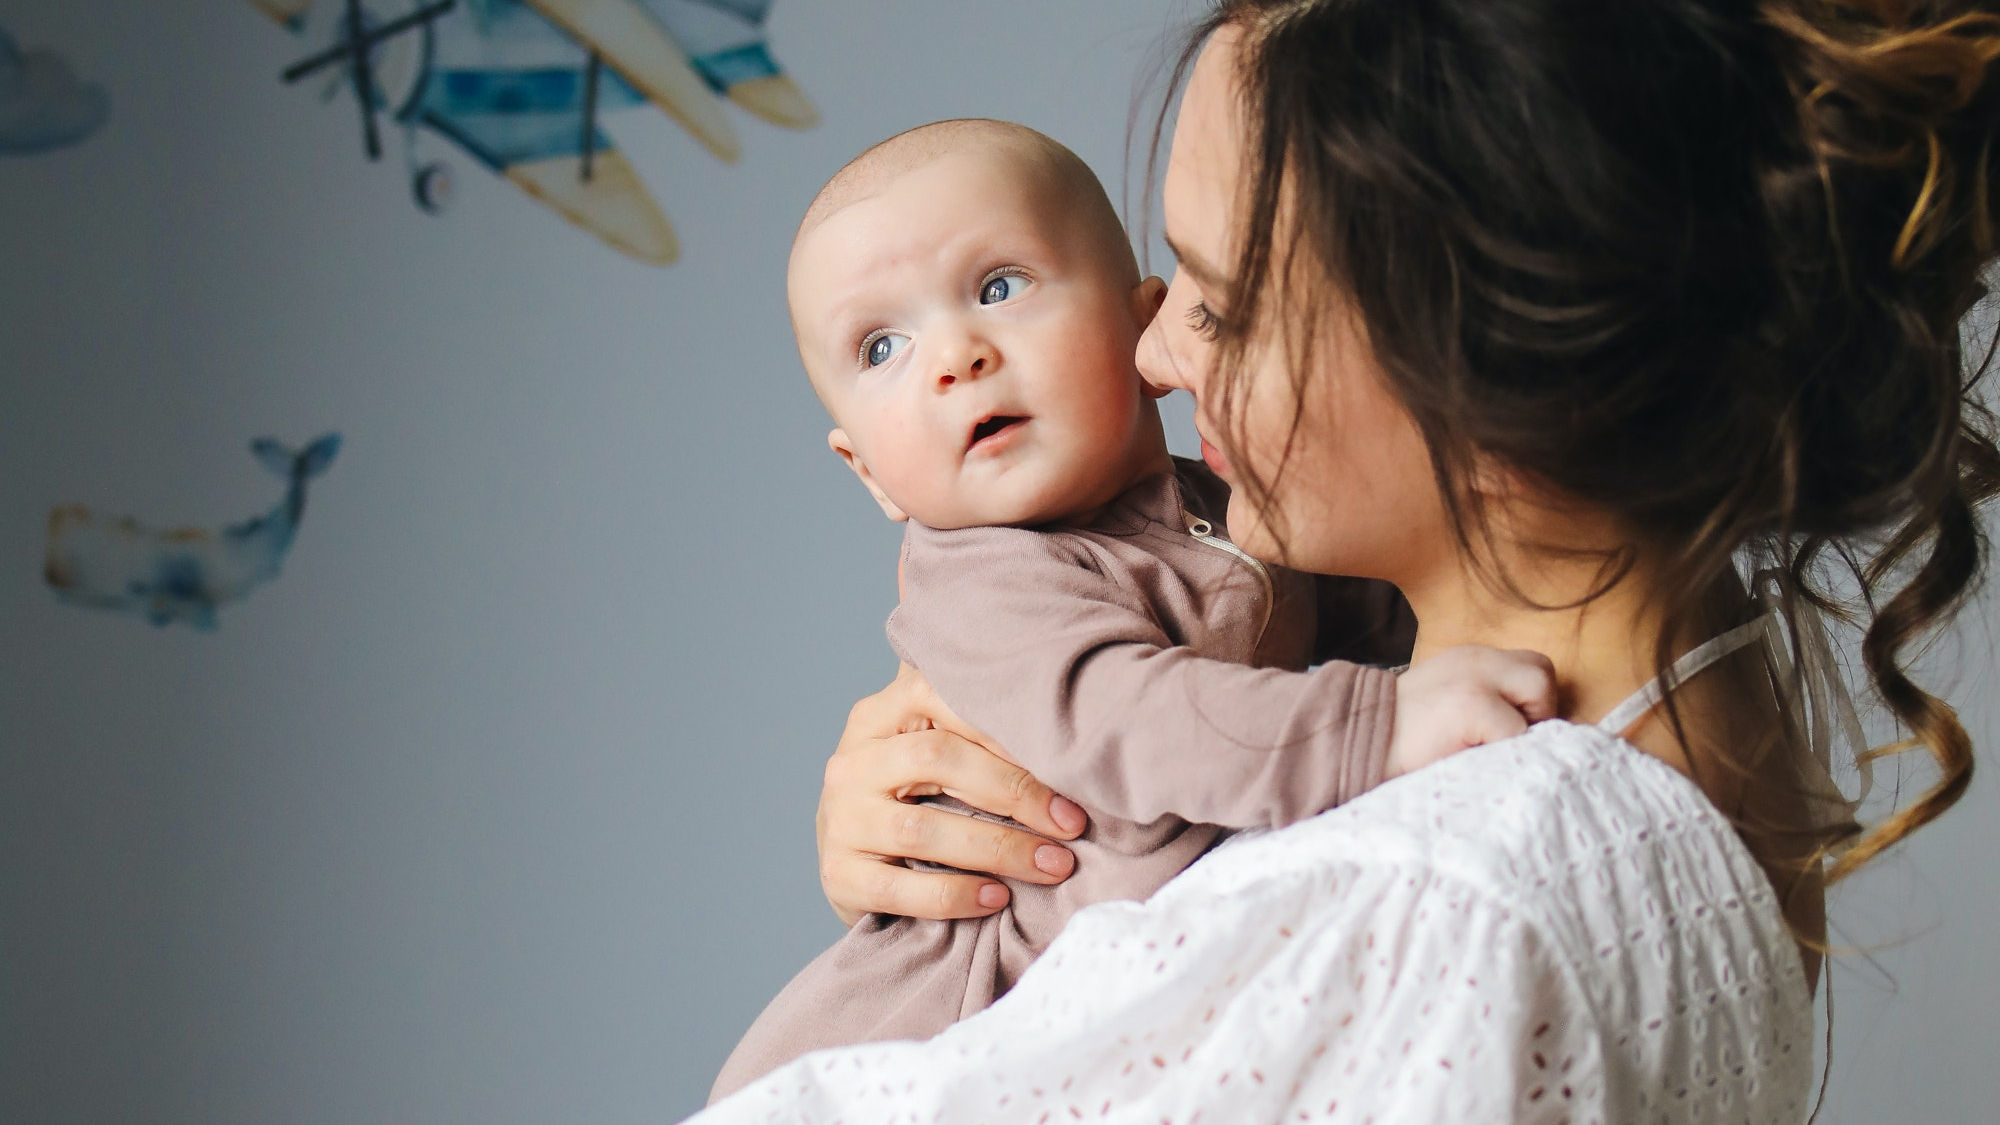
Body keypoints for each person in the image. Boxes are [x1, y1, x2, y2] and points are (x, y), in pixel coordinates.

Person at [692, 0, 2000, 1119]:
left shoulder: (1445, 902)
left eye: (1220, 301)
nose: (1153, 357)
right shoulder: (1703, 710)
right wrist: (944, 829)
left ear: (1487, 377)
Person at [707, 118, 1563, 1103]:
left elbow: (1367, 624)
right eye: (882, 346)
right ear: (868, 474)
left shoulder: (1230, 504)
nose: (953, 355)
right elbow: (1136, 720)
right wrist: (1382, 723)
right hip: (926, 1046)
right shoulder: (985, 582)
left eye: (997, 286)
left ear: (1141, 327)